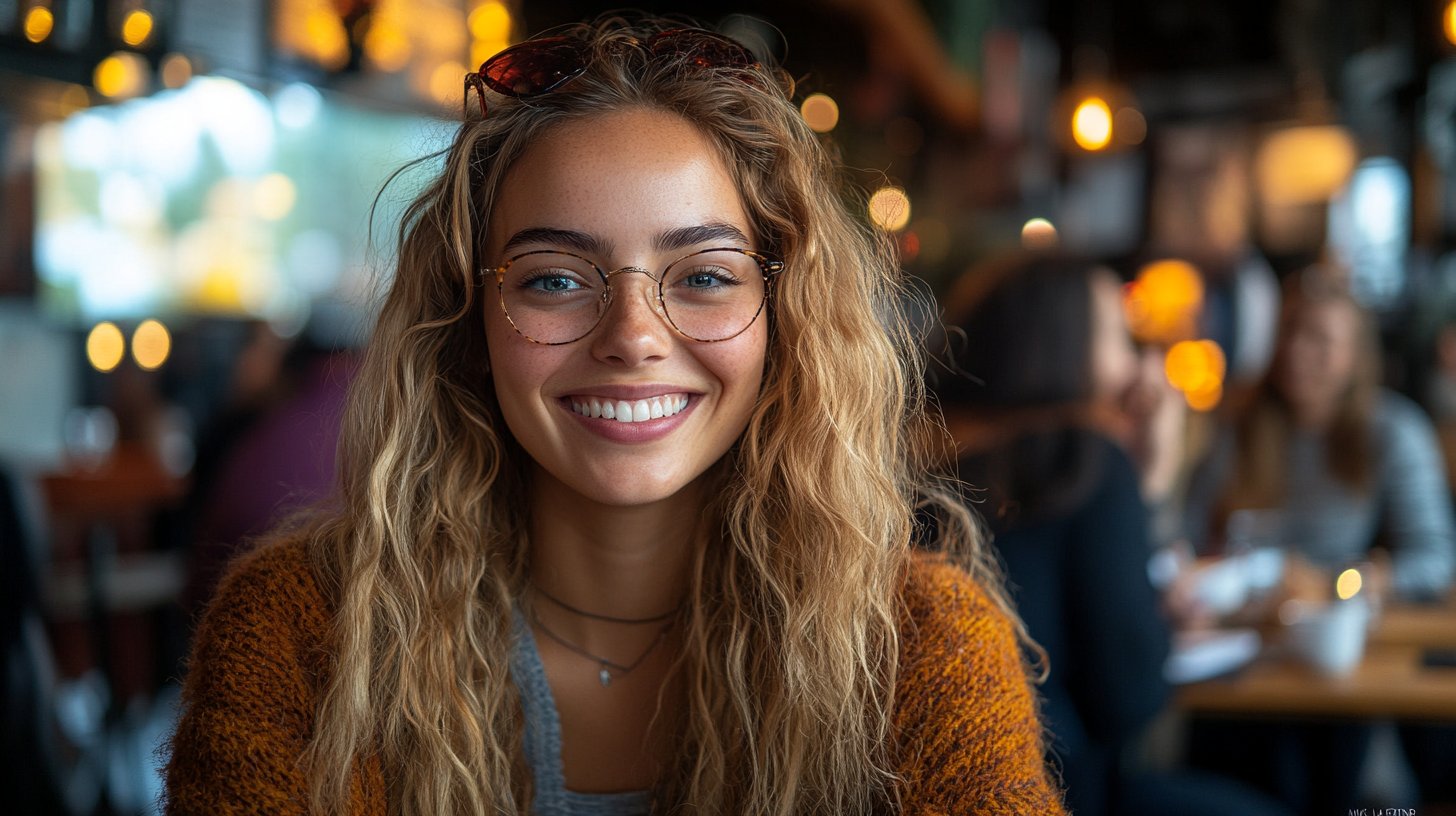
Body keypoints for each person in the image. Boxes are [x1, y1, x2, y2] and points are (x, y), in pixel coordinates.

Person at [163, 17, 1063, 815]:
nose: (634, 336)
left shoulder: (920, 648)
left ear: (784, 320)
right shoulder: (302, 636)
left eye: (705, 276)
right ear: (467, 323)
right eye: (555, 278)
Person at [935, 255, 1289, 816]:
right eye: (1122, 340)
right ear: (1065, 349)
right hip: (1055, 795)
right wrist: (1150, 483)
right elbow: (1130, 701)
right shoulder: (1084, 462)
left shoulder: (920, 457)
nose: (1139, 366)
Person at [1186, 265, 1456, 813]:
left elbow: (1436, 560)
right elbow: (1188, 546)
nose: (1297, 352)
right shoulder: (1238, 427)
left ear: (1355, 357)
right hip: (1244, 654)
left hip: (1338, 656)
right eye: (1290, 332)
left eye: (1321, 340)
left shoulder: (1392, 431)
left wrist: (1339, 582)